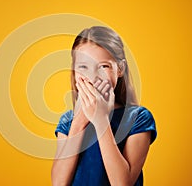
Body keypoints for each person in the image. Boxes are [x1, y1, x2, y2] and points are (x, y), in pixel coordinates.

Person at [51, 26, 157, 186]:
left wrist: (101, 120)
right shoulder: (68, 120)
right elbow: (58, 183)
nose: (93, 76)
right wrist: (79, 122)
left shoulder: (138, 118)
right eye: (83, 67)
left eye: (104, 66)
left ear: (120, 69)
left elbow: (122, 183)